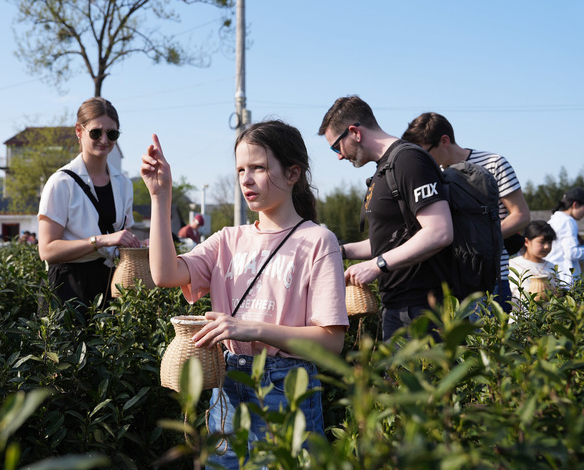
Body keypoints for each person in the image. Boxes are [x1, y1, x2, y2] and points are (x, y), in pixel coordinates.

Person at [141, 120, 349, 469]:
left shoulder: (317, 241)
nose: (246, 180)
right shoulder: (227, 240)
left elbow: (331, 343)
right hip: (228, 382)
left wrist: (248, 328)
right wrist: (160, 196)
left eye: (259, 168)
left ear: (293, 172)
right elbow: (164, 274)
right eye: (241, 169)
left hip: (287, 386)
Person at [318, 96, 453, 341]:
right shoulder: (385, 168)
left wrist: (376, 265)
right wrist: (341, 251)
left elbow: (439, 231)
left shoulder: (409, 161)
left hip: (421, 308)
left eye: (336, 147)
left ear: (354, 132)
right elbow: (391, 240)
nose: (338, 156)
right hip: (399, 306)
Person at [402, 112, 530, 313]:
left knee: (490, 343)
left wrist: (481, 237)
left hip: (491, 277)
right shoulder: (436, 175)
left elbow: (521, 215)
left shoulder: (494, 163)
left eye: (425, 152)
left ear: (444, 140)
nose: (422, 159)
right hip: (451, 280)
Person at [38, 97, 140, 311]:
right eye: (96, 132)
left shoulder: (124, 185)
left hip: (109, 283)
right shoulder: (61, 182)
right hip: (67, 287)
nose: (104, 139)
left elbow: (120, 241)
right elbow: (47, 250)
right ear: (79, 131)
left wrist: (136, 246)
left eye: (112, 134)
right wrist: (101, 241)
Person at [508, 220, 557, 309]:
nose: (547, 246)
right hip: (519, 317)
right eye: (542, 242)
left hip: (545, 318)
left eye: (550, 242)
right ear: (527, 242)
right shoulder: (512, 265)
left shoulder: (551, 267)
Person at [546, 187, 584, 287]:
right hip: (566, 280)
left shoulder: (556, 219)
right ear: (575, 204)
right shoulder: (568, 221)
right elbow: (571, 253)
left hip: (555, 277)